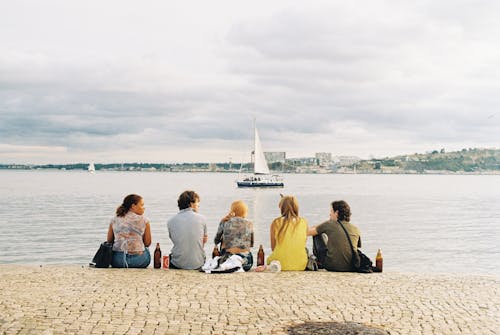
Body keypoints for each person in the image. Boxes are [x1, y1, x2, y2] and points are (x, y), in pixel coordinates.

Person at [308, 200, 361, 272]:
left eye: (331, 211)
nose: (330, 214)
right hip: (351, 266)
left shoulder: (330, 224)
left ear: (336, 213)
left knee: (317, 234)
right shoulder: (355, 229)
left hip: (331, 266)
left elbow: (308, 233)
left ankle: (319, 262)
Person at [107, 194, 152, 268]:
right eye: (142, 205)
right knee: (146, 248)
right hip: (140, 261)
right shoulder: (145, 220)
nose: (144, 208)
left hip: (118, 261)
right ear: (133, 206)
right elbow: (147, 243)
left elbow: (109, 241)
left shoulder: (114, 219)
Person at [167, 190, 208, 269]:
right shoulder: (202, 219)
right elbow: (202, 242)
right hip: (198, 264)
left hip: (177, 264)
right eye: (197, 202)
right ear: (191, 204)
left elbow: (176, 240)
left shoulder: (170, 221)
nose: (198, 205)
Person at [266, 195, 308, 271]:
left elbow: (273, 248)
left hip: (281, 264)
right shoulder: (303, 222)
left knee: (269, 260)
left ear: (282, 208)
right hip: (301, 265)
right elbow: (302, 244)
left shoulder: (276, 222)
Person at [214, 200, 254, 271]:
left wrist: (222, 223)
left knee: (224, 238)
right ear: (245, 212)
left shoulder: (225, 222)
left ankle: (231, 260)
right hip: (246, 262)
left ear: (232, 212)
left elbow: (216, 241)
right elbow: (251, 244)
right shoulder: (250, 224)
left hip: (227, 260)